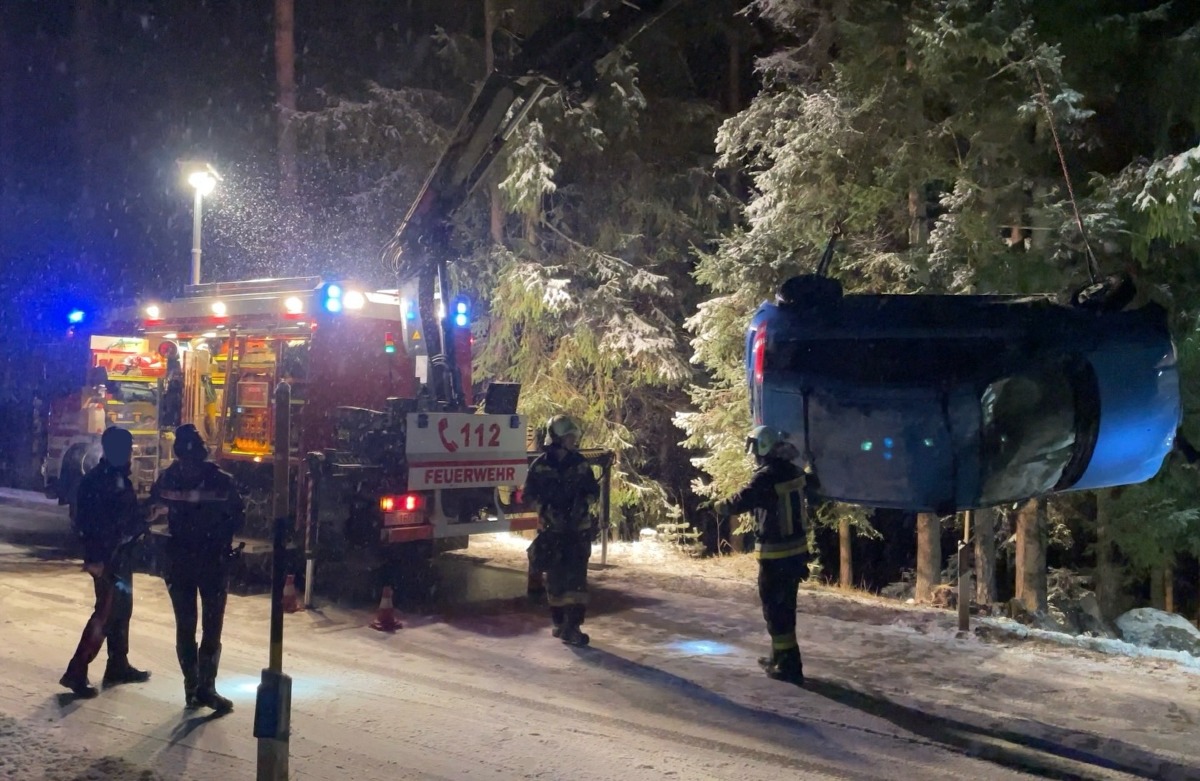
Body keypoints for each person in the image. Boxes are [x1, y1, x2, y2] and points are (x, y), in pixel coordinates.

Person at [151, 424, 245, 712]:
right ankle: (207, 687)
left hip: (179, 561)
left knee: (186, 626)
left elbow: (151, 509)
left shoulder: (168, 478)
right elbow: (238, 519)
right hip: (213, 562)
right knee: (211, 628)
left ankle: (192, 688)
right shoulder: (221, 481)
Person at [712, 425, 815, 686]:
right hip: (796, 554)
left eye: (755, 449)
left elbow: (740, 500)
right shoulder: (793, 471)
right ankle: (779, 657)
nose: (754, 455)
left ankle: (789, 666)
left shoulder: (766, 478)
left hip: (776, 555)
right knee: (785, 608)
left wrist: (720, 506)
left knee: (775, 610)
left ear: (764, 448)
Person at [60, 426, 151, 697]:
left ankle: (118, 664)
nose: (131, 456)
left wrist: (144, 519)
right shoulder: (101, 481)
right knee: (106, 614)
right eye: (128, 450)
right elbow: (89, 523)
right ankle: (76, 671)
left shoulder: (115, 478)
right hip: (108, 558)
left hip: (119, 555)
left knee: (121, 610)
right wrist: (96, 558)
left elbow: (126, 517)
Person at [523, 415, 600, 646]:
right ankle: (559, 623)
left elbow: (593, 491)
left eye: (573, 437)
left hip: (578, 530)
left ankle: (573, 626)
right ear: (556, 438)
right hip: (553, 530)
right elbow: (528, 495)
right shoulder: (540, 466)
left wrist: (583, 504)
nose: (573, 441)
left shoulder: (580, 464)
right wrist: (545, 509)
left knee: (576, 578)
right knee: (555, 578)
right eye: (568, 437)